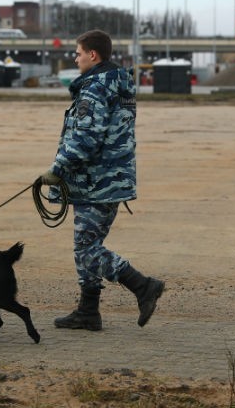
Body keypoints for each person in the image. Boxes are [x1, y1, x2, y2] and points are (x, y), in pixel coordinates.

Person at [41, 29, 164, 331]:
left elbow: (86, 137)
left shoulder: (95, 88)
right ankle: (87, 311)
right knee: (87, 245)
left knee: (87, 250)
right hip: (108, 180)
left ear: (92, 55)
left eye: (78, 52)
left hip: (95, 182)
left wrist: (57, 169)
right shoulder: (117, 84)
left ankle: (142, 286)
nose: (76, 57)